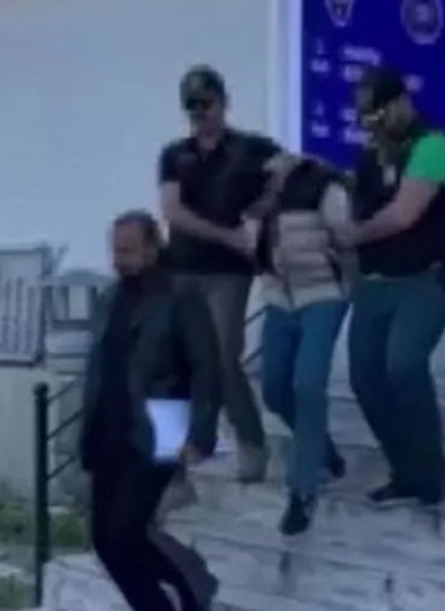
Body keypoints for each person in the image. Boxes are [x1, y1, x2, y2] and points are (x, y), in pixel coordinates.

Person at [157, 64, 294, 482]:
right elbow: (173, 211)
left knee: (222, 358)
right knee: (172, 361)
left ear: (222, 101)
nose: (200, 111)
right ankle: (176, 451)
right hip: (181, 268)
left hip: (227, 273)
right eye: (191, 104)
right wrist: (229, 235)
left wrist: (261, 208)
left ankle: (251, 444)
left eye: (206, 102)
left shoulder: (249, 148)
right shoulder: (175, 155)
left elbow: (291, 167)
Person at [79, 210, 220, 611]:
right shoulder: (108, 299)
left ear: (153, 248)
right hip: (107, 430)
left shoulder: (180, 294)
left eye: (128, 250)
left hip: (160, 428)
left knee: (124, 532)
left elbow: (207, 368)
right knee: (105, 542)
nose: (118, 259)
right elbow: (98, 366)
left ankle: (189, 586)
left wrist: (201, 433)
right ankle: (172, 598)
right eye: (115, 250)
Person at [347, 65, 445, 509]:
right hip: (375, 283)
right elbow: (356, 207)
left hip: (425, 279)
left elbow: (404, 214)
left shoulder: (434, 145)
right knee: (365, 378)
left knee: (404, 365)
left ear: (400, 102)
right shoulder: (371, 154)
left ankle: (432, 475)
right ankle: (406, 472)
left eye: (379, 115)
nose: (373, 126)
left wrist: (350, 236)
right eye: (366, 119)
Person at [253, 156, 355, 534]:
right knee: (274, 388)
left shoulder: (323, 189)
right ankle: (324, 451)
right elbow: (254, 249)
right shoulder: (258, 202)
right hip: (279, 299)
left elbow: (347, 240)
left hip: (323, 295)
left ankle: (303, 491)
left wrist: (347, 288)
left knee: (308, 385)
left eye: (272, 175)